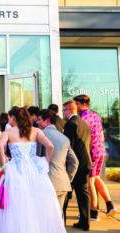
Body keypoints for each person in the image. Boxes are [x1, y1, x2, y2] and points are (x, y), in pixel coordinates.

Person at [0, 107, 66, 233]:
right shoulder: (36, 131)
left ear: (14, 118)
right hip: (35, 170)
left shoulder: (8, 132)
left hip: (16, 170)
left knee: (16, 205)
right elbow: (50, 146)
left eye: (10, 117)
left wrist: (3, 165)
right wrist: (45, 162)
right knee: (37, 203)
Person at [73, 95, 117, 219]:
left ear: (82, 104)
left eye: (76, 104)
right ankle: (109, 205)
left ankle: (93, 212)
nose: (75, 106)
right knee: (96, 178)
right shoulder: (96, 116)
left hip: (91, 152)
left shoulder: (83, 118)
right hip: (100, 150)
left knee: (90, 181)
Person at [36, 109, 79, 215]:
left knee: (45, 216)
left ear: (48, 120)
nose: (37, 122)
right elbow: (75, 162)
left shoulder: (40, 135)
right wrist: (68, 178)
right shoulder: (64, 138)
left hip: (46, 182)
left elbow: (37, 158)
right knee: (58, 217)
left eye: (39, 120)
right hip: (62, 183)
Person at [62, 100, 92, 231]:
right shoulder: (85, 124)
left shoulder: (70, 125)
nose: (63, 114)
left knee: (66, 194)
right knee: (83, 194)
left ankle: (61, 222)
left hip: (74, 165)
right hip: (86, 162)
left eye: (64, 111)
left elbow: (67, 146)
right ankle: (85, 223)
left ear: (68, 110)